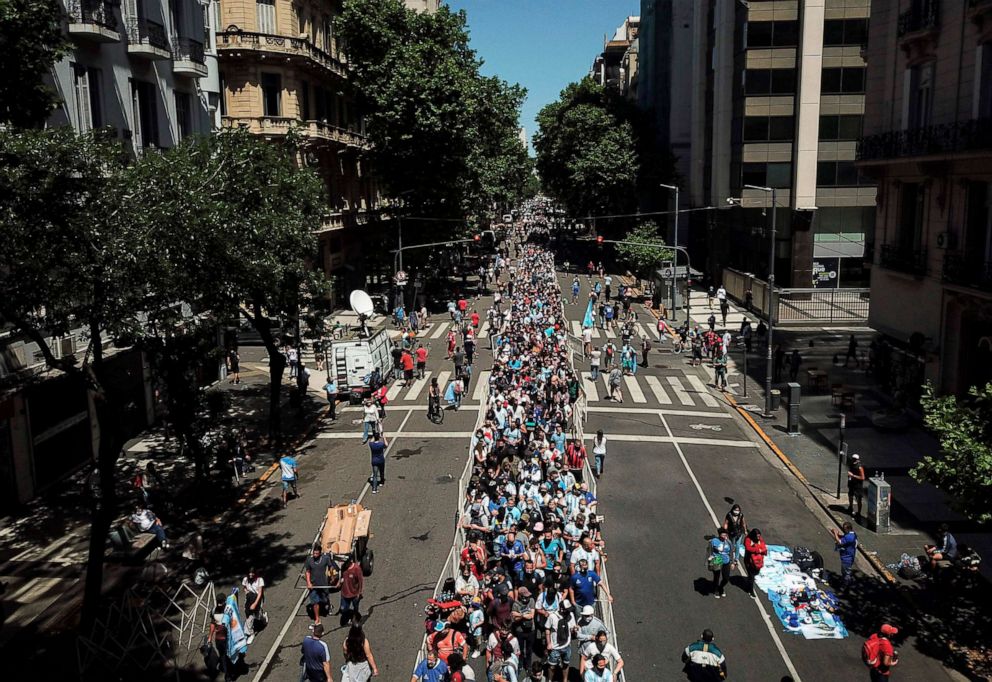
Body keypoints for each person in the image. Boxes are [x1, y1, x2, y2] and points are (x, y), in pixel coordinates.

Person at [305, 544, 336, 625]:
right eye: (314, 553)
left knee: (325, 599)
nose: (315, 555)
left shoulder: (325, 558)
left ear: (320, 553)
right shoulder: (309, 560)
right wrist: (308, 582)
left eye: (317, 553)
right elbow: (307, 572)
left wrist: (332, 576)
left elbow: (330, 567)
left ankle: (328, 606)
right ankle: (317, 618)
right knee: (315, 602)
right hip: (313, 585)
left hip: (323, 583)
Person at [339, 556, 364, 627]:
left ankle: (355, 619)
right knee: (343, 609)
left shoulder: (356, 569)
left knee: (356, 608)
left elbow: (360, 581)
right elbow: (341, 576)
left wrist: (360, 592)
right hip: (344, 593)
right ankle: (347, 617)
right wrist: (339, 582)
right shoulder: (343, 567)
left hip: (354, 594)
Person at [743, 528, 767, 597]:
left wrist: (760, 549)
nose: (759, 538)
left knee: (756, 572)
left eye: (759, 536)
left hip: (757, 560)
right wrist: (757, 549)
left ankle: (749, 582)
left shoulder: (760, 540)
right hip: (749, 560)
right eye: (757, 536)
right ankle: (750, 590)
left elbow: (763, 547)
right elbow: (748, 548)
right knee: (751, 576)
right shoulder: (748, 539)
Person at [241, 568, 265, 638]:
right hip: (249, 598)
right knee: (249, 614)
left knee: (257, 615)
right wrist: (246, 592)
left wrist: (255, 604)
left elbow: (260, 593)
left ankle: (263, 617)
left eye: (252, 573)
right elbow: (244, 587)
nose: (250, 574)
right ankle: (251, 632)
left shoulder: (260, 580)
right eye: (249, 573)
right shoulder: (245, 579)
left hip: (257, 598)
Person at [708, 529, 732, 598]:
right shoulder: (714, 541)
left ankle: (721, 587)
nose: (725, 536)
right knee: (716, 577)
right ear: (719, 535)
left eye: (726, 534)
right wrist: (710, 559)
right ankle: (716, 590)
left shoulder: (728, 542)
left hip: (726, 561)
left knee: (726, 578)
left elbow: (731, 551)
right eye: (723, 534)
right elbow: (709, 550)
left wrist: (733, 562)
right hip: (717, 559)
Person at [847, 453, 866, 518]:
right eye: (853, 459)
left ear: (858, 460)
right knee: (850, 495)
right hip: (851, 484)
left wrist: (853, 476)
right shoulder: (851, 464)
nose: (853, 460)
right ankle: (850, 507)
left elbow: (862, 478)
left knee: (858, 499)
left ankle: (859, 512)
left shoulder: (860, 467)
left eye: (855, 459)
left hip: (858, 486)